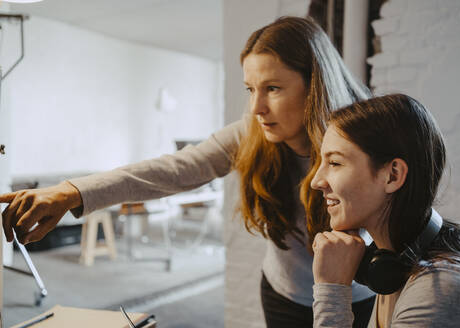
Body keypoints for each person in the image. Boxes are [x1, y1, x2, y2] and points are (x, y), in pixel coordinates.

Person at [0, 16, 375, 327]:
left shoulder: (368, 136)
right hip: (283, 293)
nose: (257, 107)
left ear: (315, 85)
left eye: (273, 88)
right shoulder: (251, 132)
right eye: (250, 89)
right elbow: (174, 169)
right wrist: (72, 192)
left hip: (359, 298)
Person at [310, 94, 460, 327]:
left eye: (334, 163)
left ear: (393, 175)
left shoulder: (437, 293)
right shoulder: (395, 261)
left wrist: (332, 291)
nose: (316, 181)